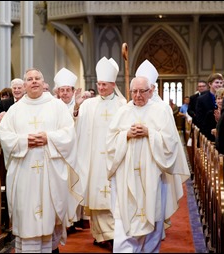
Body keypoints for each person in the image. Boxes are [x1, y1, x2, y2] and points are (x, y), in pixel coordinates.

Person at [0, 68, 82, 253]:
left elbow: (69, 133)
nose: (34, 81)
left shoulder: (57, 106)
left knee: (50, 214)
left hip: (50, 170)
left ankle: (50, 249)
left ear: (44, 83)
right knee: (26, 214)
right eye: (29, 79)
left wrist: (48, 138)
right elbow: (4, 135)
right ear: (24, 84)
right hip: (24, 170)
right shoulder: (15, 109)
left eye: (37, 78)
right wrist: (24, 141)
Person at [106, 75, 190, 253]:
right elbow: (109, 143)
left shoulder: (160, 111)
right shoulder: (123, 111)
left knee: (153, 218)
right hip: (126, 178)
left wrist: (149, 133)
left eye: (142, 91)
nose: (138, 95)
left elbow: (171, 144)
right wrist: (126, 135)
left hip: (153, 176)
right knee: (125, 222)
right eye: (134, 91)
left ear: (151, 91)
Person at [74, 56, 127, 250]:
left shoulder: (123, 105)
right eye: (99, 84)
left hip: (115, 158)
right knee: (96, 196)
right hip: (94, 158)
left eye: (105, 84)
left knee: (114, 197)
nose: (101, 88)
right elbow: (77, 127)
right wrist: (75, 108)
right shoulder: (89, 105)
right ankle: (100, 234)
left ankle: (113, 235)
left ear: (113, 84)